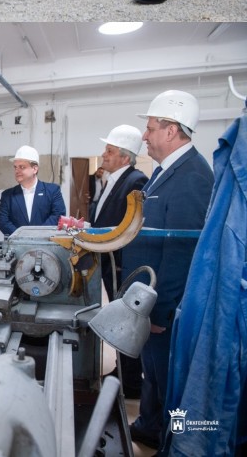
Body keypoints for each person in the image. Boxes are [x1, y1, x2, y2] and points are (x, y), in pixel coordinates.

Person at [121, 91, 213, 450]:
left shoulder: (192, 176)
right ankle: (148, 423)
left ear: (171, 130)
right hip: (149, 298)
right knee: (153, 374)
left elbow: (181, 251)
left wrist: (158, 310)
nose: (144, 136)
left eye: (150, 128)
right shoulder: (165, 172)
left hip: (162, 304)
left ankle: (169, 438)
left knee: (165, 375)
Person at [87, 124, 147, 399]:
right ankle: (123, 372)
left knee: (126, 321)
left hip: (121, 264)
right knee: (120, 318)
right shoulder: (113, 180)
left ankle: (131, 382)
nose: (104, 155)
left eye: (109, 151)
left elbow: (129, 229)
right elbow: (108, 222)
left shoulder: (135, 181)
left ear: (125, 157)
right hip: (110, 262)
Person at [0, 145, 66, 235]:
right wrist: (22, 236)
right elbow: (3, 222)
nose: (17, 171)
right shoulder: (7, 196)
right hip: (18, 245)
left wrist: (38, 234)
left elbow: (58, 215)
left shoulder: (53, 191)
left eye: (22, 167)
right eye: (15, 167)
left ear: (34, 169)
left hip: (46, 243)